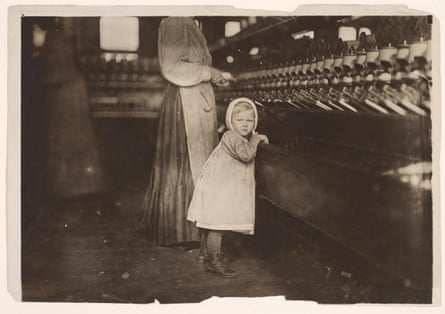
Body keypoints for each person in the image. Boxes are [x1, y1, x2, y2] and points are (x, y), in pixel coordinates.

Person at [139, 17, 235, 246]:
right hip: (185, 103)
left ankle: (193, 230)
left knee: (197, 161)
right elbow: (172, 68)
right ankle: (182, 232)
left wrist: (214, 75)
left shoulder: (188, 21)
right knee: (188, 162)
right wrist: (209, 72)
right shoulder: (176, 21)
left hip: (194, 98)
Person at [187, 97, 269, 278]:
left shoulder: (236, 136)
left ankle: (204, 254)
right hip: (221, 188)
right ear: (230, 121)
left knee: (210, 222)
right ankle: (214, 262)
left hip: (219, 185)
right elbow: (246, 155)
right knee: (217, 225)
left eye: (250, 120)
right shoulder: (232, 136)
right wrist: (256, 139)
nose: (245, 125)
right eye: (240, 120)